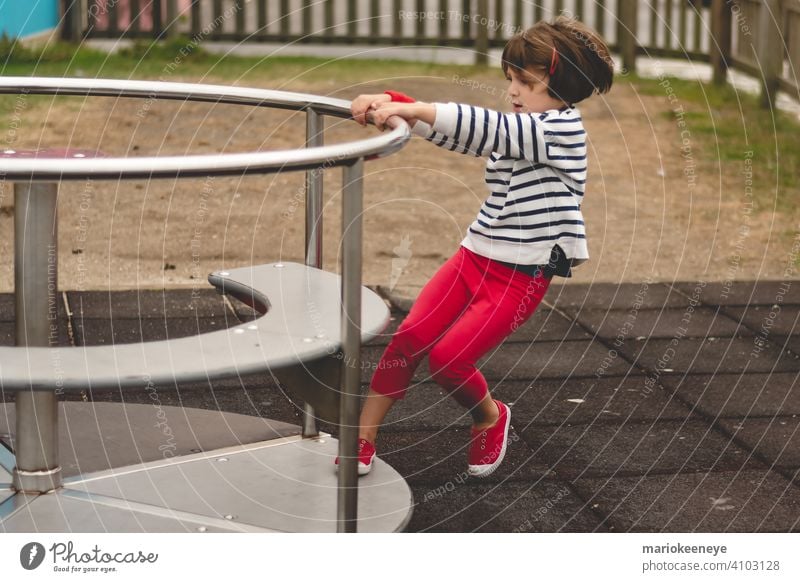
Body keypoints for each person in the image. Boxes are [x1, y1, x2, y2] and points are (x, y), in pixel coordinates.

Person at [336, 16, 613, 478]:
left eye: (525, 81)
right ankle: (362, 438)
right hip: (474, 255)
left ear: (561, 79)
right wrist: (398, 105)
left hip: (520, 277)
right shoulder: (523, 124)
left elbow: (487, 128)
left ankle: (489, 415)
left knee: (450, 361)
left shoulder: (561, 131)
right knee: (409, 339)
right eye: (510, 80)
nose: (513, 91)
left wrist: (417, 106)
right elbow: (464, 134)